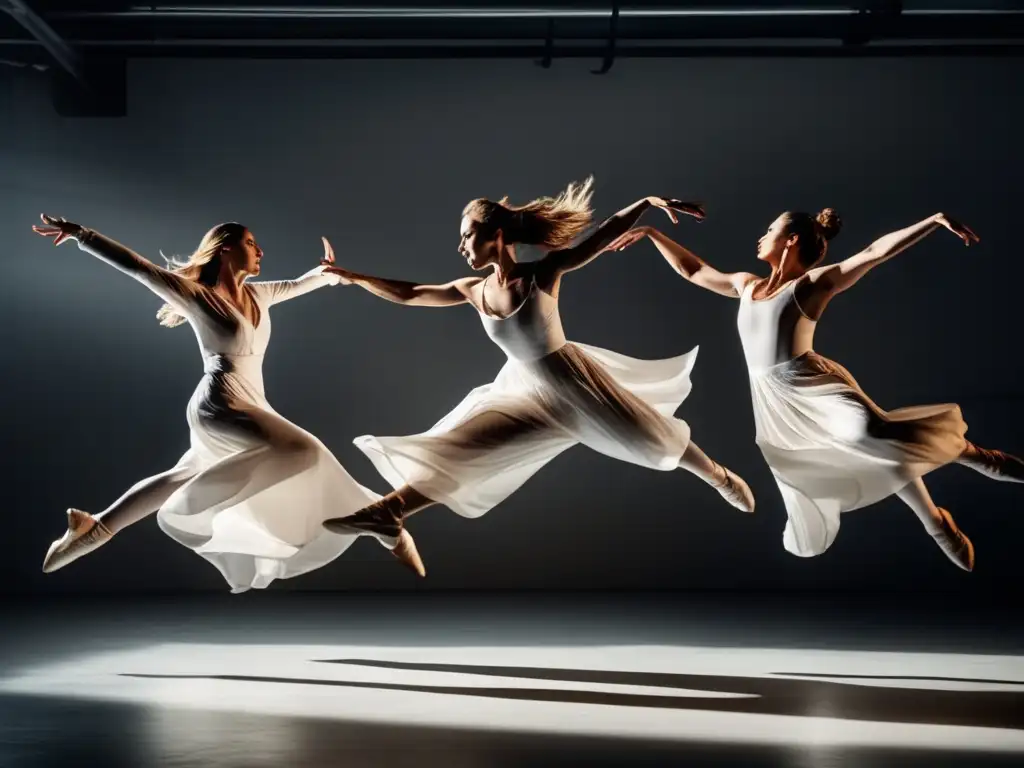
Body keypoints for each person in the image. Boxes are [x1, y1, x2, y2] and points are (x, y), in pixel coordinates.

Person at [316, 178, 755, 577]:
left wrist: (646, 202)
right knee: (462, 449)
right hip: (526, 393)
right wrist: (353, 278)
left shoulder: (541, 276)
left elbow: (599, 238)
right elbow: (410, 293)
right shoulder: (473, 290)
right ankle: (386, 512)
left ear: (497, 236)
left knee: (650, 437)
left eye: (467, 235)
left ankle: (718, 475)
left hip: (573, 383)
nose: (461, 246)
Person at [606, 209, 1023, 570]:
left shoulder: (810, 286)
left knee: (869, 436)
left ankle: (972, 455)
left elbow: (873, 254)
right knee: (849, 462)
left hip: (811, 383)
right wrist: (651, 233)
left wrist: (932, 221)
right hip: (773, 403)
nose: (760, 235)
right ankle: (937, 521)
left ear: (790, 240)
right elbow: (694, 270)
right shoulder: (747, 285)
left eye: (769, 230)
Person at [31, 214, 404, 592]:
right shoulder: (197, 295)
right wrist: (83, 234)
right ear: (225, 248)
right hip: (221, 404)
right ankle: (371, 514)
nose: (260, 250)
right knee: (303, 450)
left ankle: (93, 529)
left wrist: (327, 273)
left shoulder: (260, 294)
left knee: (185, 475)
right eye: (250, 242)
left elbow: (299, 283)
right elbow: (139, 267)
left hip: (252, 402)